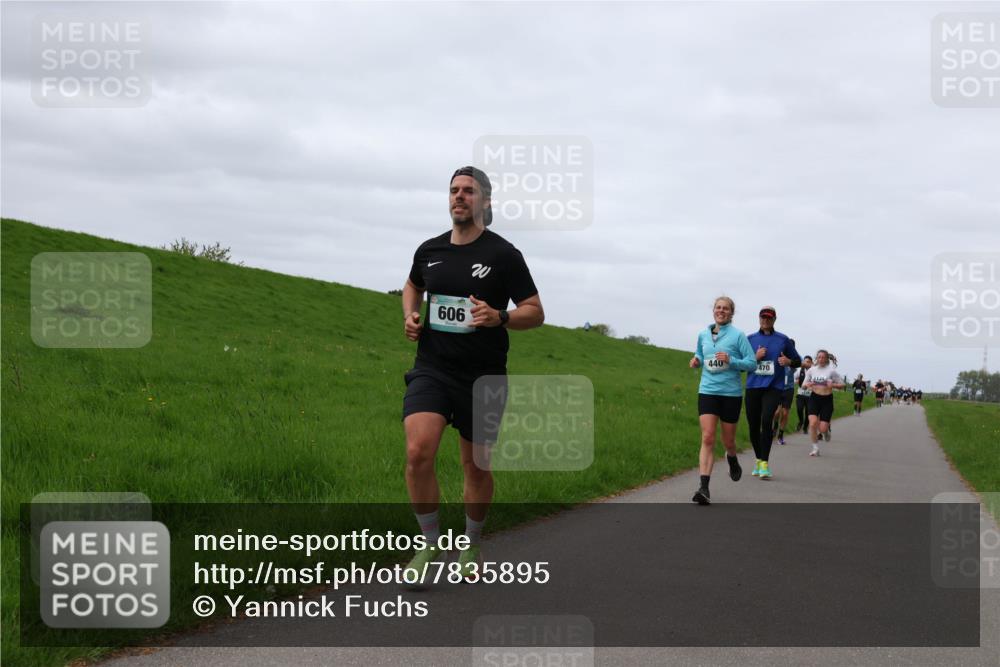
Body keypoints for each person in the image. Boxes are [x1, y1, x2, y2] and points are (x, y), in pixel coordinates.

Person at [401, 166, 544, 583]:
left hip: (483, 377)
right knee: (417, 452)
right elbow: (412, 286)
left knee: (476, 467)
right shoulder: (429, 250)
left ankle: (472, 542)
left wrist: (498, 316)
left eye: (468, 191)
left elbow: (535, 312)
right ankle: (428, 542)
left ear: (485, 202)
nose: (459, 197)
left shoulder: (504, 255)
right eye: (454, 191)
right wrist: (410, 314)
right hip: (432, 369)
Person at [689, 296, 758, 504]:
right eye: (718, 308)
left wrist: (732, 360)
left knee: (728, 440)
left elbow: (752, 363)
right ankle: (704, 488)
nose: (721, 311)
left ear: (731, 313)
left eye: (726, 309)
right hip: (708, 390)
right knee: (708, 437)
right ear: (713, 311)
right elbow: (700, 355)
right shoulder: (703, 334)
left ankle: (732, 457)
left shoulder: (738, 336)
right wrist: (696, 361)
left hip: (730, 394)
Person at [745, 307, 801, 479]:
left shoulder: (783, 339)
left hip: (773, 387)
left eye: (769, 318)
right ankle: (758, 459)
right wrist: (755, 357)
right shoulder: (749, 339)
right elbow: (741, 363)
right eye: (763, 317)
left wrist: (788, 361)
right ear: (759, 319)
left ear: (774, 319)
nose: (766, 320)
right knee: (753, 425)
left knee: (767, 420)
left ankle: (764, 463)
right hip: (753, 386)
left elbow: (798, 361)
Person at [803, 350, 845, 456]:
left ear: (827, 359)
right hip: (814, 398)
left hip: (827, 400)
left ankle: (826, 432)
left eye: (823, 357)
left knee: (822, 428)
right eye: (819, 357)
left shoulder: (831, 371)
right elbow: (803, 385)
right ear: (817, 359)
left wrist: (833, 386)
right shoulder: (811, 370)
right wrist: (808, 384)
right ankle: (815, 448)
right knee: (812, 424)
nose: (821, 359)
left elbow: (842, 385)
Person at [772, 344, 798, 445]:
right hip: (778, 388)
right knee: (776, 412)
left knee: (785, 413)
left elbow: (799, 362)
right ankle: (774, 426)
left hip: (789, 389)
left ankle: (780, 435)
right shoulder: (778, 357)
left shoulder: (794, 359)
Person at [794, 356, 813, 433]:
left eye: (808, 362)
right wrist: (796, 380)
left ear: (811, 363)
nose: (806, 363)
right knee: (799, 408)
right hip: (801, 394)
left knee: (808, 412)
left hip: (811, 395)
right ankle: (801, 421)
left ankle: (805, 427)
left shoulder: (814, 371)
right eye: (805, 361)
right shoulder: (800, 370)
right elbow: (793, 377)